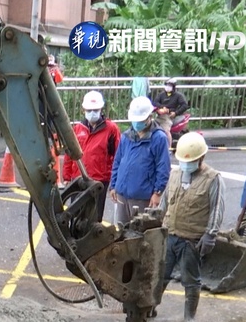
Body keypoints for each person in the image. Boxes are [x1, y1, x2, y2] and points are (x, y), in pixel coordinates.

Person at [152, 133, 224, 322]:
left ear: (201, 158)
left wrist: (210, 234)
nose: (187, 164)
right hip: (170, 235)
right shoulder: (175, 175)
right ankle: (151, 306)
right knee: (160, 275)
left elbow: (217, 208)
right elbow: (166, 203)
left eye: (191, 161)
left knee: (191, 280)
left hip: (191, 240)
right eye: (184, 161)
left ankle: (189, 315)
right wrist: (156, 223)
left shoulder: (212, 179)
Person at [108, 96, 171, 225]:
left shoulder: (159, 138)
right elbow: (118, 162)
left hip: (143, 197)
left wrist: (157, 193)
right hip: (122, 194)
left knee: (141, 234)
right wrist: (113, 185)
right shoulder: (126, 136)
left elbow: (163, 168)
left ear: (149, 117)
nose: (137, 123)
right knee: (120, 232)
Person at [62, 91, 121, 222]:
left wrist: (115, 183)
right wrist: (66, 176)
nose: (92, 113)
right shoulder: (78, 129)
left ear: (101, 109)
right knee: (75, 216)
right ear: (83, 110)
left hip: (99, 181)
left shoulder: (111, 129)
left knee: (94, 219)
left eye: (95, 110)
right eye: (89, 110)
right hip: (78, 180)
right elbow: (69, 154)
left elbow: (118, 156)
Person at [153, 77, 190, 145]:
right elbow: (155, 102)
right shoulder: (162, 94)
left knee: (166, 130)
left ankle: (168, 148)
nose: (167, 87)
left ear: (173, 87)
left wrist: (175, 113)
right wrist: (162, 108)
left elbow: (184, 105)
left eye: (169, 86)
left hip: (169, 117)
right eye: (167, 85)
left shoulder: (178, 96)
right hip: (160, 116)